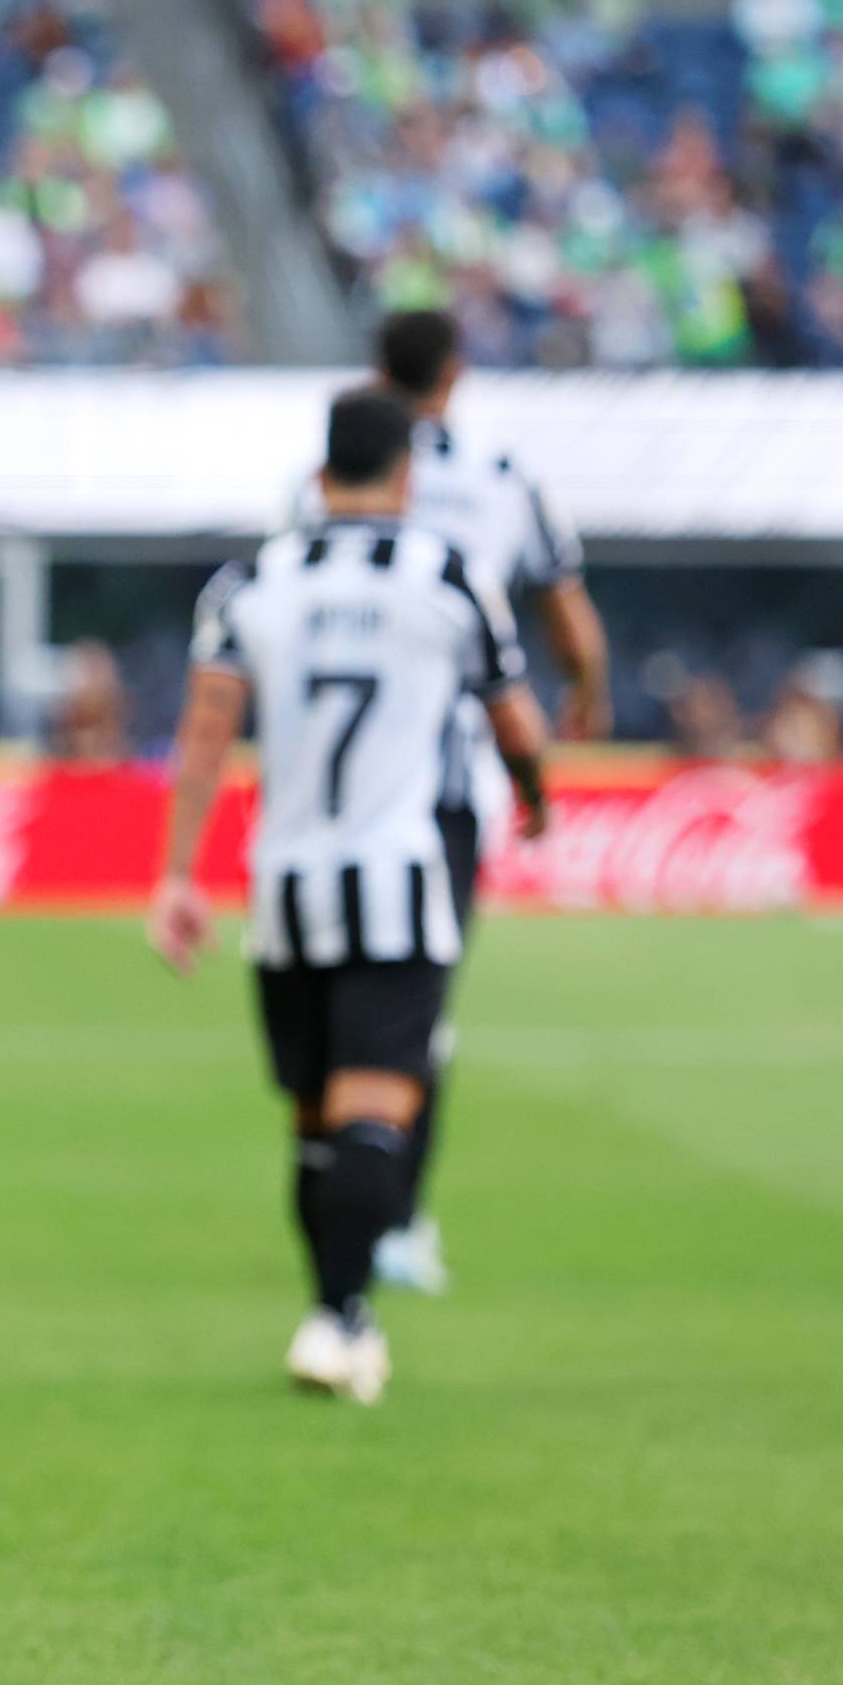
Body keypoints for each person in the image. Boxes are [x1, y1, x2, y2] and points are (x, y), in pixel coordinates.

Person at [153, 388, 554, 1408]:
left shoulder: (252, 582)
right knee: (376, 1115)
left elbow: (205, 736)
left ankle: (343, 1317)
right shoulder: (449, 576)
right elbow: (516, 725)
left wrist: (177, 872)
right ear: (407, 475)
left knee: (314, 1129)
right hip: (402, 880)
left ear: (320, 475)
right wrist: (538, 799)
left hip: (285, 887)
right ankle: (337, 1316)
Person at [311, 309, 610, 1295]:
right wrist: (586, 694)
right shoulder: (503, 480)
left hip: (324, 790)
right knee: (417, 1013)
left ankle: (339, 1199)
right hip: (445, 785)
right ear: (458, 374)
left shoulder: (323, 482)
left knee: (324, 1005)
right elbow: (567, 609)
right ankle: (394, 1217)